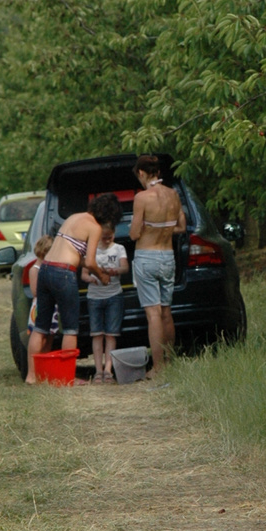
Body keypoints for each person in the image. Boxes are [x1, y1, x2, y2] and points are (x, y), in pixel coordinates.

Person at [30, 193, 121, 377]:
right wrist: (102, 276)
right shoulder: (94, 227)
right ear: (110, 217)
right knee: (70, 328)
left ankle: (32, 376)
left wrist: (94, 268)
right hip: (63, 274)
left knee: (41, 327)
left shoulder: (73, 217)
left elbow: (73, 254)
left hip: (45, 269)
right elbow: (90, 262)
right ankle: (66, 377)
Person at [129, 155, 185, 375]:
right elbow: (181, 226)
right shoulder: (173, 195)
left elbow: (134, 234)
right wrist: (163, 227)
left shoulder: (142, 198)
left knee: (153, 313)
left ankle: (158, 366)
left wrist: (146, 228)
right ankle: (170, 361)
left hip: (147, 256)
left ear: (142, 173)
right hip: (167, 256)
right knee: (166, 311)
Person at [86, 220, 128, 382]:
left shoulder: (119, 249)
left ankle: (108, 370)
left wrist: (114, 270)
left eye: (110, 237)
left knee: (111, 334)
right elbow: (83, 273)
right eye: (103, 238)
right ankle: (98, 370)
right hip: (94, 297)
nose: (107, 240)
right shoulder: (91, 251)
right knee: (97, 334)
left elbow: (125, 267)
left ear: (114, 235)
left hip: (114, 295)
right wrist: (91, 279)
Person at [24, 236, 54, 385]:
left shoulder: (50, 267)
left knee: (49, 338)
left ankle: (44, 371)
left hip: (51, 306)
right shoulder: (35, 269)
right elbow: (35, 291)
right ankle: (33, 372)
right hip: (41, 306)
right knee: (39, 336)